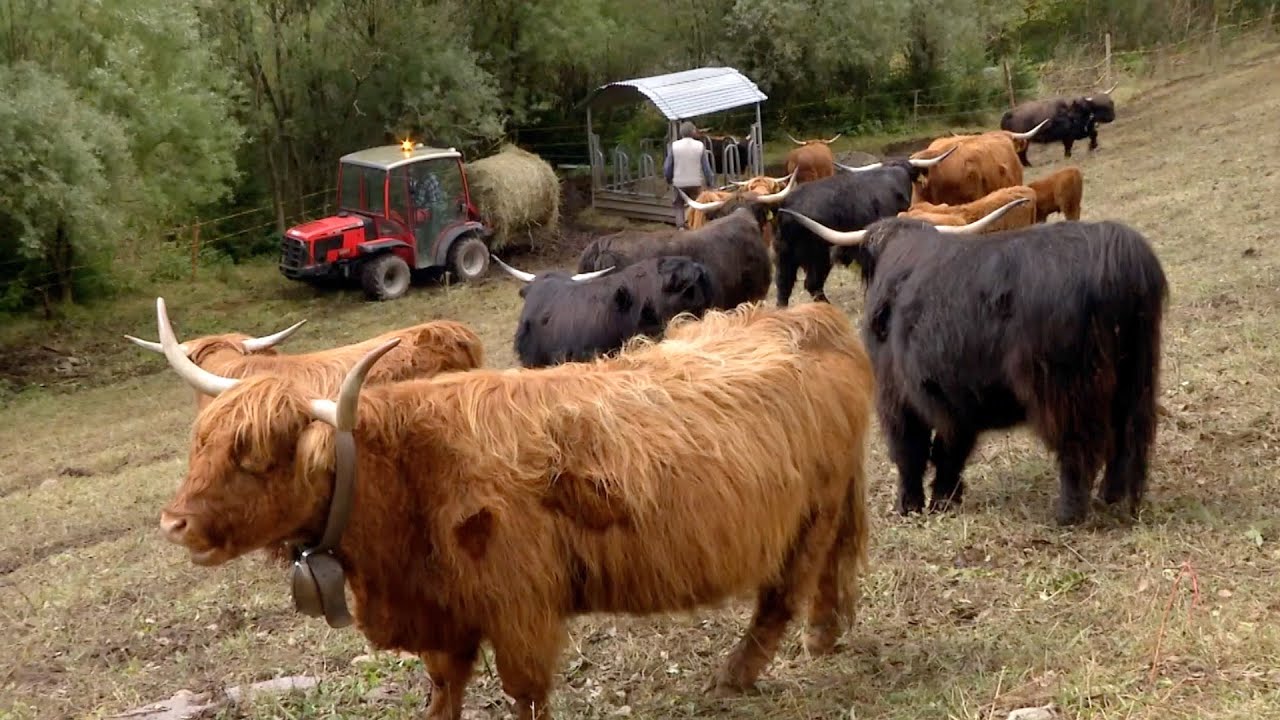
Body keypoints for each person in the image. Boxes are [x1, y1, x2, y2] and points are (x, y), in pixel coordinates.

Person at [663, 121, 714, 229]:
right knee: (697, 205)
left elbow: (668, 166)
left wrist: (668, 179)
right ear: (693, 132)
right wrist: (710, 182)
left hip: (679, 183)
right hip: (695, 182)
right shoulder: (700, 146)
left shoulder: (674, 146)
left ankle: (681, 227)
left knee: (678, 205)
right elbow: (706, 168)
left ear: (681, 133)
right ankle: (697, 226)